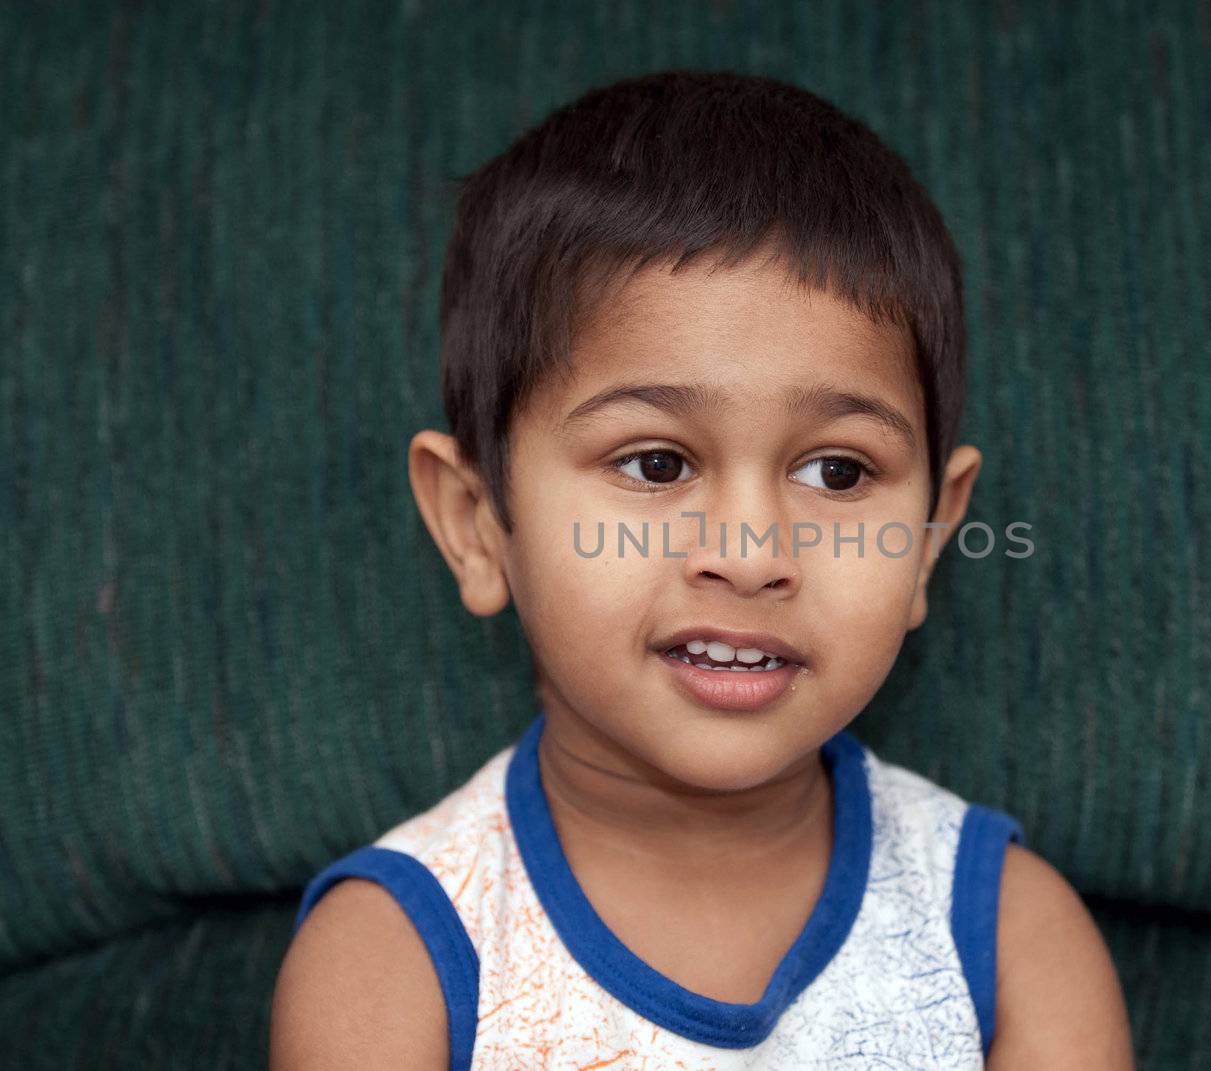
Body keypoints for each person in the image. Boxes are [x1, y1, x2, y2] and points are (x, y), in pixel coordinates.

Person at [269, 69, 1134, 1070]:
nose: (750, 554)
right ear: (477, 523)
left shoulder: (1006, 940)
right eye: (655, 464)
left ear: (929, 536)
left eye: (836, 471)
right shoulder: (396, 960)